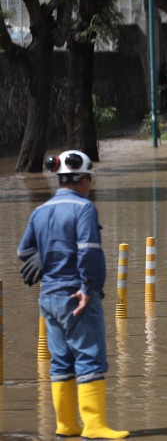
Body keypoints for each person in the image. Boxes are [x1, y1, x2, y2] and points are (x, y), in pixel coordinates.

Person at [17, 150, 128, 439]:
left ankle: (66, 426)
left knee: (61, 361)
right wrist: (87, 288)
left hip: (50, 299)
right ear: (84, 180)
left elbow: (24, 251)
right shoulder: (84, 209)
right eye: (90, 179)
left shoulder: (39, 212)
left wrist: (47, 257)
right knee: (90, 358)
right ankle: (94, 425)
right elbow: (88, 252)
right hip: (76, 297)